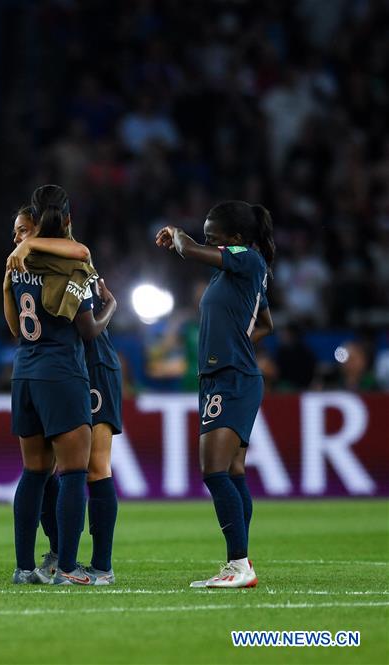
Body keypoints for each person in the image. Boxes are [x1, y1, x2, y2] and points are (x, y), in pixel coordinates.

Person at [155, 200, 275, 589]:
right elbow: (266, 323)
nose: (209, 243)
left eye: (215, 237)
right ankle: (238, 562)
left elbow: (188, 249)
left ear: (237, 240)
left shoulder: (246, 260)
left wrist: (177, 234)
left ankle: (240, 565)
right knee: (233, 471)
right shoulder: (233, 274)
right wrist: (237, 342)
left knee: (214, 470)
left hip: (232, 377)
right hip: (221, 375)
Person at [2, 185, 114, 586]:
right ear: (64, 221)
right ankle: (67, 567)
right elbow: (85, 329)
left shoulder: (15, 267)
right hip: (61, 372)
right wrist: (111, 307)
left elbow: (14, 326)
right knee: (71, 473)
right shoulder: (71, 266)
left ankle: (23, 567)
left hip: (25, 371)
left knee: (33, 473)